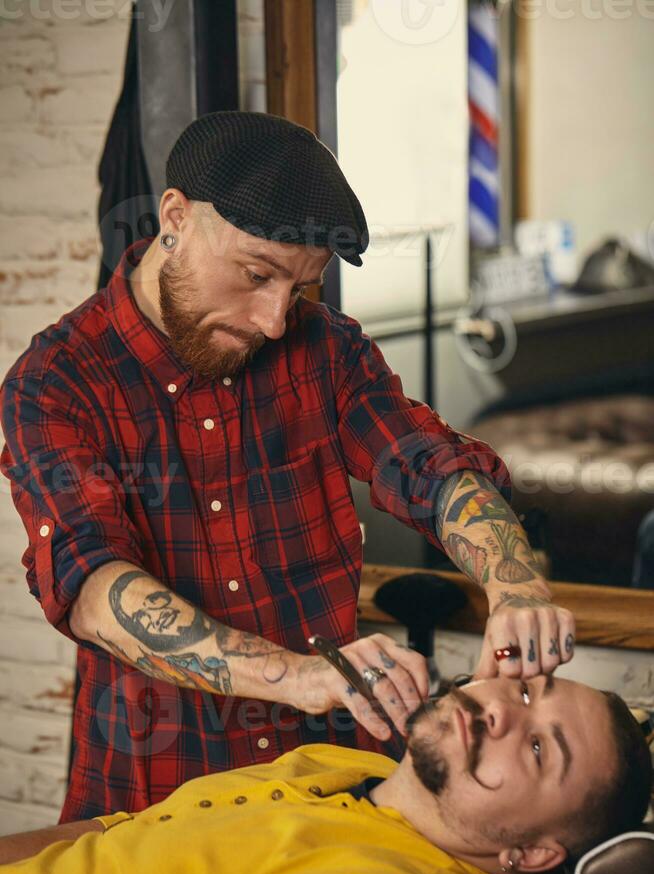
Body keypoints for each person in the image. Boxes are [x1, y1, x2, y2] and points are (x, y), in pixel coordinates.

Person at [0, 111, 576, 823]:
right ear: (174, 217)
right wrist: (299, 677)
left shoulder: (326, 351)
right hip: (158, 804)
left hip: (335, 787)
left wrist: (514, 584)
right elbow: (93, 588)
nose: (275, 320)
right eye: (256, 274)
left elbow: (428, 466)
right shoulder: (55, 382)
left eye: (298, 288)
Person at [0, 674, 650, 874]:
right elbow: (113, 835)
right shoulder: (357, 771)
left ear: (533, 852)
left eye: (540, 750)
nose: (504, 711)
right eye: (530, 691)